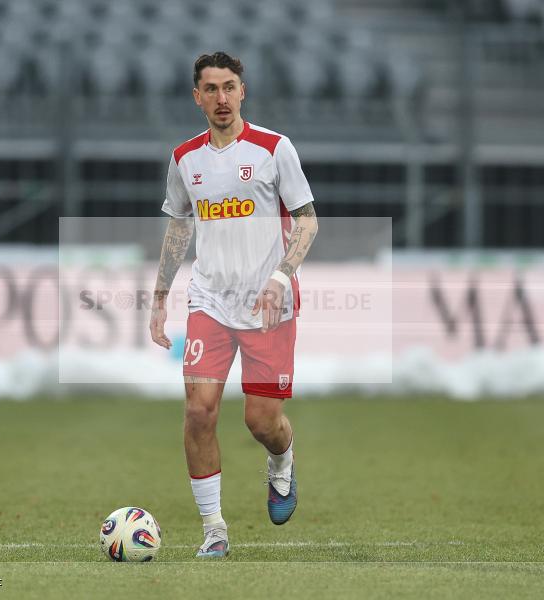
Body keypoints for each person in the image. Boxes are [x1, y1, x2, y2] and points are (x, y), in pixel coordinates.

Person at [149, 52, 319, 558]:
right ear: (197, 97)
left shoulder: (274, 149)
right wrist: (159, 296)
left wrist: (280, 278)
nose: (221, 98)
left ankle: (282, 462)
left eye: (229, 87)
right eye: (211, 89)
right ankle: (214, 531)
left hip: (268, 304)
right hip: (210, 302)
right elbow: (179, 226)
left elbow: (307, 220)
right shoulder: (185, 159)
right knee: (198, 411)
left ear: (242, 91)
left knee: (261, 422)